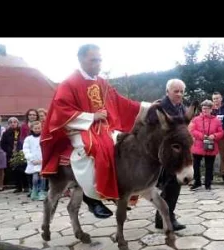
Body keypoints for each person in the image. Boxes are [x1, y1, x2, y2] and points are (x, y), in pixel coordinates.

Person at [41, 44, 151, 219]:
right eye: (93, 60)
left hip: (104, 127)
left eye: (100, 60)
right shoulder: (69, 83)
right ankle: (93, 198)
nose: (98, 64)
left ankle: (118, 189)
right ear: (81, 59)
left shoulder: (101, 82)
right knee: (99, 148)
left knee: (124, 143)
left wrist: (148, 107)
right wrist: (91, 117)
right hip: (79, 128)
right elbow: (61, 110)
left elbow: (121, 102)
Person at [154, 78, 197, 231]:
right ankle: (166, 218)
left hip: (178, 155)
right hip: (166, 155)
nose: (179, 94)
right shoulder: (160, 107)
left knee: (173, 187)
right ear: (167, 92)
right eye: (176, 91)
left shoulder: (181, 108)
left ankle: (165, 217)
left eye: (181, 92)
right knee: (169, 186)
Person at [189, 100, 224, 190]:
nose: (205, 110)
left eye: (207, 109)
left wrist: (214, 136)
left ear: (211, 109)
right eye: (203, 108)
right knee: (196, 165)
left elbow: (221, 132)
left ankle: (208, 183)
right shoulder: (196, 119)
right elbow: (192, 130)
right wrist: (202, 136)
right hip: (198, 145)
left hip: (211, 145)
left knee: (209, 166)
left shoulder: (216, 121)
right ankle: (197, 182)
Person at [23, 121, 47, 200]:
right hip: (33, 162)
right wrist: (31, 159)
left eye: (39, 128)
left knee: (42, 177)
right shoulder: (28, 139)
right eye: (35, 128)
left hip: (42, 161)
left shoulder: (44, 137)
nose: (37, 130)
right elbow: (26, 149)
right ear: (32, 129)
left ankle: (42, 191)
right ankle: (34, 190)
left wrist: (44, 159)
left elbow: (47, 148)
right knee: (35, 178)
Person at [211, 92, 224, 184]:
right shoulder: (210, 110)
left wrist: (221, 132)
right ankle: (209, 175)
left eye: (217, 98)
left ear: (221, 99)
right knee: (209, 156)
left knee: (223, 156)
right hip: (211, 137)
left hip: (222, 136)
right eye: (214, 99)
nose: (216, 100)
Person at [0, 114, 6, 192]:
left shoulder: (2, 128)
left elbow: (2, 139)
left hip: (0, 148)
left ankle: (1, 185)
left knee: (0, 168)